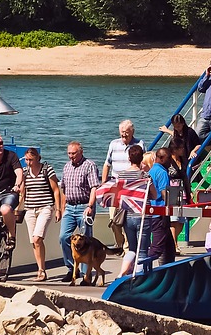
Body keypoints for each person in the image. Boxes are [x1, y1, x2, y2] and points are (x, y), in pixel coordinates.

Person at [59, 141, 100, 282]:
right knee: (64, 237)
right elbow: (63, 189)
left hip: (84, 206)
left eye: (74, 153)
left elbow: (94, 187)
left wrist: (90, 206)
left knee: (86, 240)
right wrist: (62, 207)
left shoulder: (89, 165)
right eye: (69, 154)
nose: (71, 156)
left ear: (80, 152)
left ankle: (85, 275)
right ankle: (71, 268)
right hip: (70, 207)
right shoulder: (66, 167)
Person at [21, 147, 63, 282]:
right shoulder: (25, 172)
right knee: (34, 241)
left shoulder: (47, 169)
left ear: (37, 158)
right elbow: (23, 192)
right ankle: (41, 269)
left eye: (31, 160)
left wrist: (58, 209)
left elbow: (56, 190)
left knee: (37, 238)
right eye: (26, 160)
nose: (28, 163)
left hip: (45, 207)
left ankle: (42, 271)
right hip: (29, 209)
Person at [101, 120, 143, 249]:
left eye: (127, 133)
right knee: (114, 220)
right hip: (115, 187)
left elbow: (143, 165)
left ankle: (126, 247)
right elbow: (107, 165)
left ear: (132, 132)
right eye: (122, 133)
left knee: (127, 220)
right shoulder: (114, 144)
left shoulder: (139, 144)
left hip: (131, 189)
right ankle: (121, 243)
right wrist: (103, 185)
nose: (124, 136)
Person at [142, 147, 176, 265]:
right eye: (169, 159)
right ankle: (136, 269)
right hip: (160, 215)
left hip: (152, 213)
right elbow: (164, 194)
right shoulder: (162, 172)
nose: (170, 162)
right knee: (157, 249)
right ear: (161, 158)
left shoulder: (151, 171)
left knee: (170, 248)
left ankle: (168, 271)